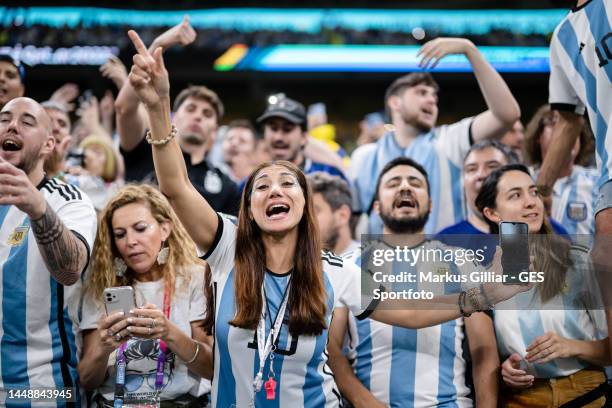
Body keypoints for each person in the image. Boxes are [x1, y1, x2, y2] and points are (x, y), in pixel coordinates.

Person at [125, 29, 528, 407]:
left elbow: (410, 312)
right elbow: (176, 186)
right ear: (248, 208)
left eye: (288, 183)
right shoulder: (227, 246)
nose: (275, 190)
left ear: (305, 205)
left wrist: (480, 295)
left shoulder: (334, 270)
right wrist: (158, 105)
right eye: (262, 186)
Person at [328, 157, 499, 408]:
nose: (405, 187)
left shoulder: (462, 262)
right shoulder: (348, 266)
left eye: (415, 183)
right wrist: (366, 403)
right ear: (376, 206)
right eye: (393, 183)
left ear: (430, 204)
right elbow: (331, 348)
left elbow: (483, 350)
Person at [350, 37, 521, 234]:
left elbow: (507, 114)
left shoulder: (449, 140)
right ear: (395, 103)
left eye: (434, 97)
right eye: (422, 93)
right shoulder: (364, 157)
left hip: (446, 259)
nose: (431, 100)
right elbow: (353, 222)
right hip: (381, 260)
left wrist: (470, 51)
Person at [476, 164, 610, 407]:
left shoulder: (578, 260)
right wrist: (505, 372)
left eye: (533, 192)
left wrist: (572, 346)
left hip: (585, 392)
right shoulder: (484, 282)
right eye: (516, 195)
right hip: (522, 400)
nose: (531, 202)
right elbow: (486, 362)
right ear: (492, 213)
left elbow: (609, 351)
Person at [0, 97, 97, 405]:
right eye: (4, 119)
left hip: (41, 390)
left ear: (48, 145)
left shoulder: (68, 200)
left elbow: (70, 270)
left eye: (27, 122)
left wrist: (38, 209)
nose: (12, 125)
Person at [78, 184, 211, 407]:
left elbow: (211, 367)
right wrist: (103, 349)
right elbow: (87, 380)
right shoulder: (102, 285)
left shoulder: (194, 277)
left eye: (140, 228)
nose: (130, 241)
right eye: (120, 234)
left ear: (165, 229)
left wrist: (169, 333)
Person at [534, 0, 612, 359]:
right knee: (605, 242)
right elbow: (568, 121)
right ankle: (607, 351)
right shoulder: (562, 37)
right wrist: (540, 190)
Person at [115, 19, 241, 216]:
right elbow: (124, 109)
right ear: (173, 118)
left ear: (215, 132)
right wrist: (158, 46)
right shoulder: (143, 150)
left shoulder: (228, 187)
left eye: (207, 114)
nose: (198, 116)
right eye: (191, 109)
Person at [525, 104, 598, 236]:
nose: (567, 134)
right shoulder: (521, 178)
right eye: (555, 123)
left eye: (573, 129)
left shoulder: (598, 183)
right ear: (538, 136)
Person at [257, 94, 346, 179]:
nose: (278, 137)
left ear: (304, 137)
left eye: (287, 129)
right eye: (273, 129)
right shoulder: (253, 182)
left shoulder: (329, 176)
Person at [65, 134, 123, 211]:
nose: (90, 155)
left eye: (97, 153)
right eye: (87, 151)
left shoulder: (113, 189)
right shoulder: (73, 175)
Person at [307, 172, 359, 257]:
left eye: (313, 212)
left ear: (343, 215)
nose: (304, 220)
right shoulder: (302, 265)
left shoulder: (371, 262)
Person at [42, 100, 73, 178]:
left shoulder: (85, 181)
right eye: (48, 122)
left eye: (62, 124)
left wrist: (56, 172)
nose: (56, 128)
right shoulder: (15, 171)